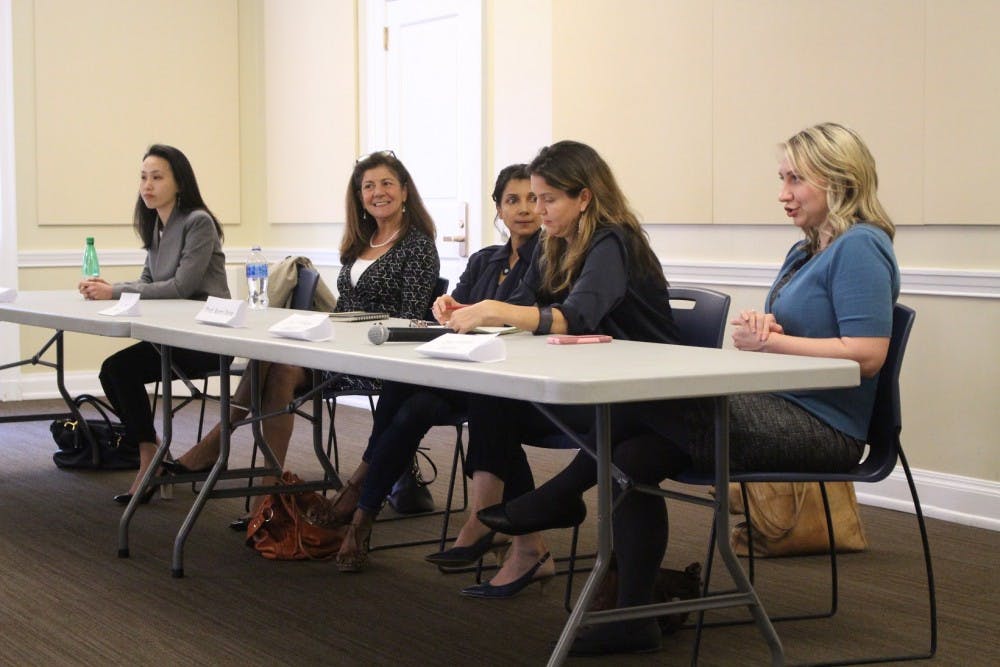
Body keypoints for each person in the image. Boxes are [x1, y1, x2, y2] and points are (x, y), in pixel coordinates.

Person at [476, 122, 900, 655]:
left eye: (795, 180)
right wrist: (768, 330)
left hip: (823, 426)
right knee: (630, 456)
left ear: (839, 179)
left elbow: (867, 356)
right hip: (777, 402)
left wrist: (774, 346)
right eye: (782, 178)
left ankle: (561, 498)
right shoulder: (806, 251)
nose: (783, 193)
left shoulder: (861, 246)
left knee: (641, 406)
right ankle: (632, 616)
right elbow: (811, 334)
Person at [431, 140, 681, 600]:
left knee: (506, 401)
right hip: (595, 383)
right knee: (490, 395)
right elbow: (523, 305)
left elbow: (577, 316)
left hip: (645, 395)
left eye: (548, 198)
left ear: (584, 198)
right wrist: (467, 308)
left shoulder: (614, 239)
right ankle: (508, 525)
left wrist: (491, 310)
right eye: (533, 198)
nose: (537, 209)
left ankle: (545, 504)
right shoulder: (555, 242)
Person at [163, 151, 439, 532]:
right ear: (359, 196)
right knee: (269, 361)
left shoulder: (418, 247)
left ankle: (225, 457)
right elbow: (344, 306)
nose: (378, 193)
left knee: (280, 370)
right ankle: (261, 492)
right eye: (368, 186)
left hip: (379, 362)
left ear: (405, 191)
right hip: (338, 351)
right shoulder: (361, 241)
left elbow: (412, 317)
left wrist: (351, 332)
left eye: (387, 184)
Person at [309, 164, 542, 573]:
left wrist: (476, 314)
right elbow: (454, 309)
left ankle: (361, 502)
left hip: (504, 380)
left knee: (411, 398)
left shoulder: (548, 258)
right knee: (407, 396)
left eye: (532, 199)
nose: (523, 209)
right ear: (498, 210)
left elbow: (523, 314)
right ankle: (363, 512)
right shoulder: (487, 259)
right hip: (461, 369)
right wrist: (445, 307)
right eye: (512, 200)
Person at [78, 144, 230, 504]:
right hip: (171, 335)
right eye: (143, 177)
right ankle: (151, 452)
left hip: (206, 339)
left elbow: (182, 287)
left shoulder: (198, 223)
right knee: (114, 371)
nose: (147, 185)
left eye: (157, 177)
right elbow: (148, 281)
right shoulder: (157, 226)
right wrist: (107, 289)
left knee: (121, 371)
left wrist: (113, 290)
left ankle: (150, 460)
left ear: (179, 182)